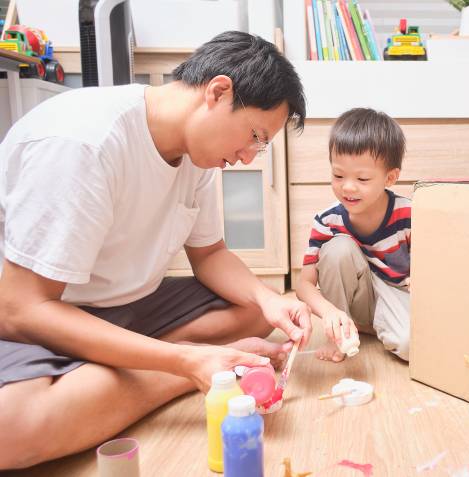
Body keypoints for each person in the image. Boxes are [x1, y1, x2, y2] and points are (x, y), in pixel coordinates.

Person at [0, 31, 312, 469]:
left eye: (260, 147)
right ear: (218, 92)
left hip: (131, 303)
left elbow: (210, 255)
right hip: (49, 315)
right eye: (254, 136)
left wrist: (270, 299)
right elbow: (19, 309)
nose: (249, 157)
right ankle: (182, 371)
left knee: (258, 310)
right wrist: (185, 362)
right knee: (11, 431)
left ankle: (132, 368)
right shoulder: (83, 142)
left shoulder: (195, 153)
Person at [296, 108, 410, 362]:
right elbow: (304, 284)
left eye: (362, 178)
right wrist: (328, 312)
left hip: (395, 292)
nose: (347, 186)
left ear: (390, 177)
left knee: (409, 346)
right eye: (338, 175)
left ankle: (373, 328)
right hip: (355, 298)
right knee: (338, 249)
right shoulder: (327, 221)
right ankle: (341, 334)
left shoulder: (408, 214)